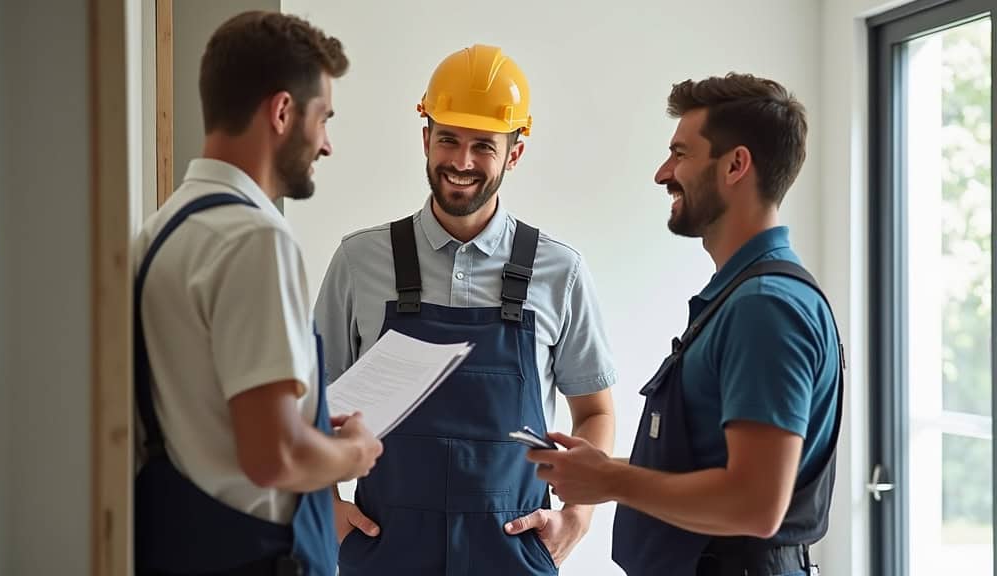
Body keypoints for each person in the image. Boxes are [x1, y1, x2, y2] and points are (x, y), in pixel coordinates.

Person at [314, 44, 617, 575]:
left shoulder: (559, 271)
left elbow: (595, 410)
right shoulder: (359, 262)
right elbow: (308, 404)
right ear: (425, 136)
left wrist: (579, 516)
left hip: (514, 555)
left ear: (515, 153)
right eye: (448, 139)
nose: (461, 162)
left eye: (484, 145)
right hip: (385, 554)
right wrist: (323, 505)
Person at [526, 73, 844, 576]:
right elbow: (714, 474)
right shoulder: (739, 299)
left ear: (736, 165)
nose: (662, 173)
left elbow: (755, 504)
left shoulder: (766, 308)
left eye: (681, 154)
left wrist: (610, 482)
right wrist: (602, 472)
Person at [133, 11, 382, 576]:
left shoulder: (159, 232)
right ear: (282, 111)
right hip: (258, 559)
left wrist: (311, 422)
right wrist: (354, 455)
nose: (326, 145)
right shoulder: (255, 240)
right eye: (324, 118)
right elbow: (275, 457)